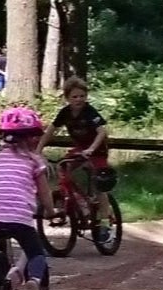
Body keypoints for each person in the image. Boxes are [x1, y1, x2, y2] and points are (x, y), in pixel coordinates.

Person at [0, 104, 56, 290]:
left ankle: (0, 279)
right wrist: (51, 212)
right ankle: (34, 281)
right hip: (20, 217)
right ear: (30, 138)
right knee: (36, 252)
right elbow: (44, 192)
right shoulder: (34, 161)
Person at [46, 76, 116, 221]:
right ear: (67, 98)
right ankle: (78, 201)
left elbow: (102, 132)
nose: (79, 99)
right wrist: (38, 150)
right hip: (80, 148)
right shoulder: (65, 112)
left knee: (99, 182)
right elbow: (50, 131)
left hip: (97, 150)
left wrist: (91, 149)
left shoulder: (89, 111)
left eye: (82, 96)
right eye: (74, 96)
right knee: (63, 168)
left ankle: (105, 220)